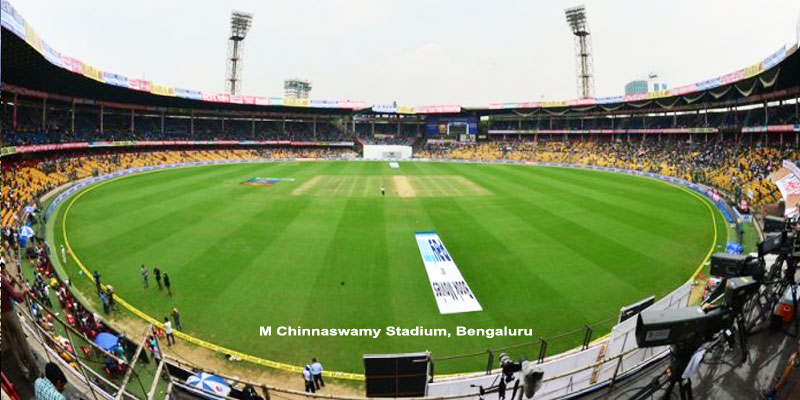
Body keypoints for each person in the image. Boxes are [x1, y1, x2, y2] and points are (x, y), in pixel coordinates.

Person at [2, 267, 41, 381]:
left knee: (12, 344)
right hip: (10, 314)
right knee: (22, 342)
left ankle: (24, 371)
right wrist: (23, 290)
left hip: (2, 318)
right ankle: (36, 371)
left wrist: (11, 284)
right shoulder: (2, 279)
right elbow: (17, 298)